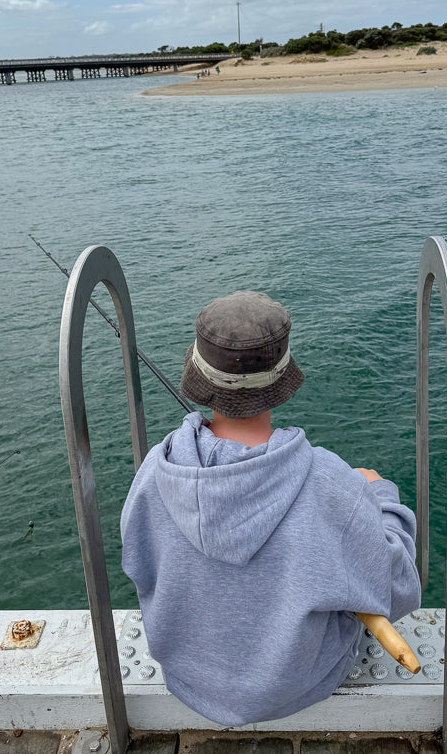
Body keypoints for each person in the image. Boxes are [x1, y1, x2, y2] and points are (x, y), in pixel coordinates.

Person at [120, 290, 420, 726]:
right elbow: (399, 589)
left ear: (201, 379)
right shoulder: (329, 481)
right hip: (300, 683)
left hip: (189, 680)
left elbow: (139, 567)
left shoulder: (154, 471)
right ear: (280, 385)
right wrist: (379, 496)